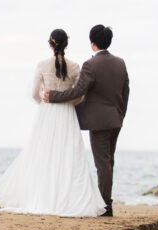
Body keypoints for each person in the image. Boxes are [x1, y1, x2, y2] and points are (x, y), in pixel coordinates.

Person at [0, 29, 105, 216]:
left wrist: (44, 104)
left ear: (50, 44)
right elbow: (80, 95)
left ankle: (41, 196)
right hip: (67, 113)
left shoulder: (42, 65)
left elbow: (34, 94)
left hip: (47, 112)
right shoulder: (75, 66)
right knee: (68, 156)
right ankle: (69, 198)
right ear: (66, 44)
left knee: (42, 154)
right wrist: (69, 103)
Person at [44, 24, 129, 217]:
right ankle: (105, 202)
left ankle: (106, 206)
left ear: (92, 43)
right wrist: (121, 114)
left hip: (99, 122)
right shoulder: (120, 63)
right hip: (116, 119)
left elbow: (79, 91)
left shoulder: (91, 65)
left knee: (103, 164)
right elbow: (126, 91)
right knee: (108, 162)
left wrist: (54, 96)